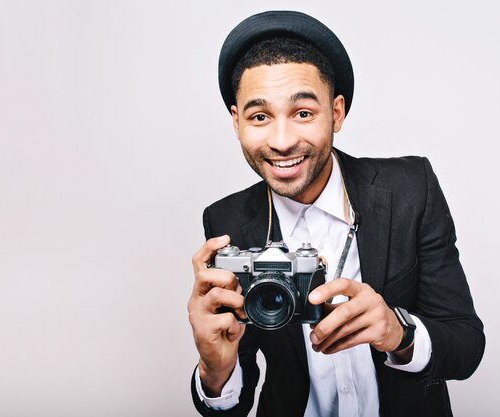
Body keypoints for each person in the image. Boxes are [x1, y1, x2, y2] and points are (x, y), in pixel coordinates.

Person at [187, 10, 484, 417]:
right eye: (259, 117)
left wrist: (398, 332)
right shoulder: (226, 220)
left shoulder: (412, 187)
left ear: (337, 113)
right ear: (237, 123)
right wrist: (214, 369)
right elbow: (232, 403)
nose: (282, 141)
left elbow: (467, 345)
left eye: (303, 113)